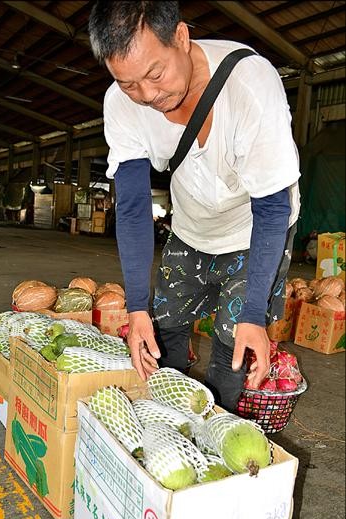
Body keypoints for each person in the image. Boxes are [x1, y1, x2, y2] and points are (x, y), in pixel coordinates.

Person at [88, 1, 300, 412]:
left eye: (154, 74)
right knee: (163, 330)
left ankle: (213, 432)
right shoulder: (121, 103)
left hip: (252, 231)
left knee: (232, 345)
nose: (146, 95)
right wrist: (136, 308)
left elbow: (272, 209)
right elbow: (132, 208)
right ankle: (170, 420)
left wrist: (254, 315)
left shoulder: (250, 85)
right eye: (128, 83)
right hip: (191, 227)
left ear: (181, 38)